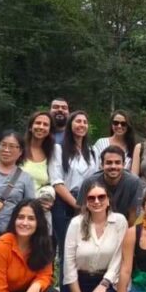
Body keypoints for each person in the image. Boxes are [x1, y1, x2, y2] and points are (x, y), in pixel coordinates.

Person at [61, 183, 126, 292]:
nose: (97, 201)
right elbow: (68, 262)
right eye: (91, 198)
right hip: (78, 282)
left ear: (108, 200)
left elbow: (119, 257)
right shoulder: (76, 223)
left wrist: (104, 284)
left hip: (105, 280)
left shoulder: (119, 221)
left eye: (101, 197)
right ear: (86, 202)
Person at [49, 110, 96, 259]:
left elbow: (96, 179)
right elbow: (57, 182)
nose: (82, 125)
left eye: (85, 122)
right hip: (64, 204)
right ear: (70, 124)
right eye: (78, 121)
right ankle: (64, 276)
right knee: (66, 250)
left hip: (88, 203)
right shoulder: (58, 149)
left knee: (84, 248)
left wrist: (87, 205)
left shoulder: (92, 151)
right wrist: (77, 205)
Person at [79, 146, 143, 223]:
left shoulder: (134, 183)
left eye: (117, 162)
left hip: (124, 226)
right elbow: (82, 212)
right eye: (109, 163)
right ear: (102, 165)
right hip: (94, 225)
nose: (113, 166)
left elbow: (134, 216)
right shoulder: (89, 182)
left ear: (124, 164)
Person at [21, 111, 56, 209]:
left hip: (39, 209)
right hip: (17, 205)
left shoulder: (52, 153)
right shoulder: (19, 148)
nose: (41, 127)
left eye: (45, 125)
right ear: (30, 127)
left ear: (49, 130)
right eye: (38, 123)